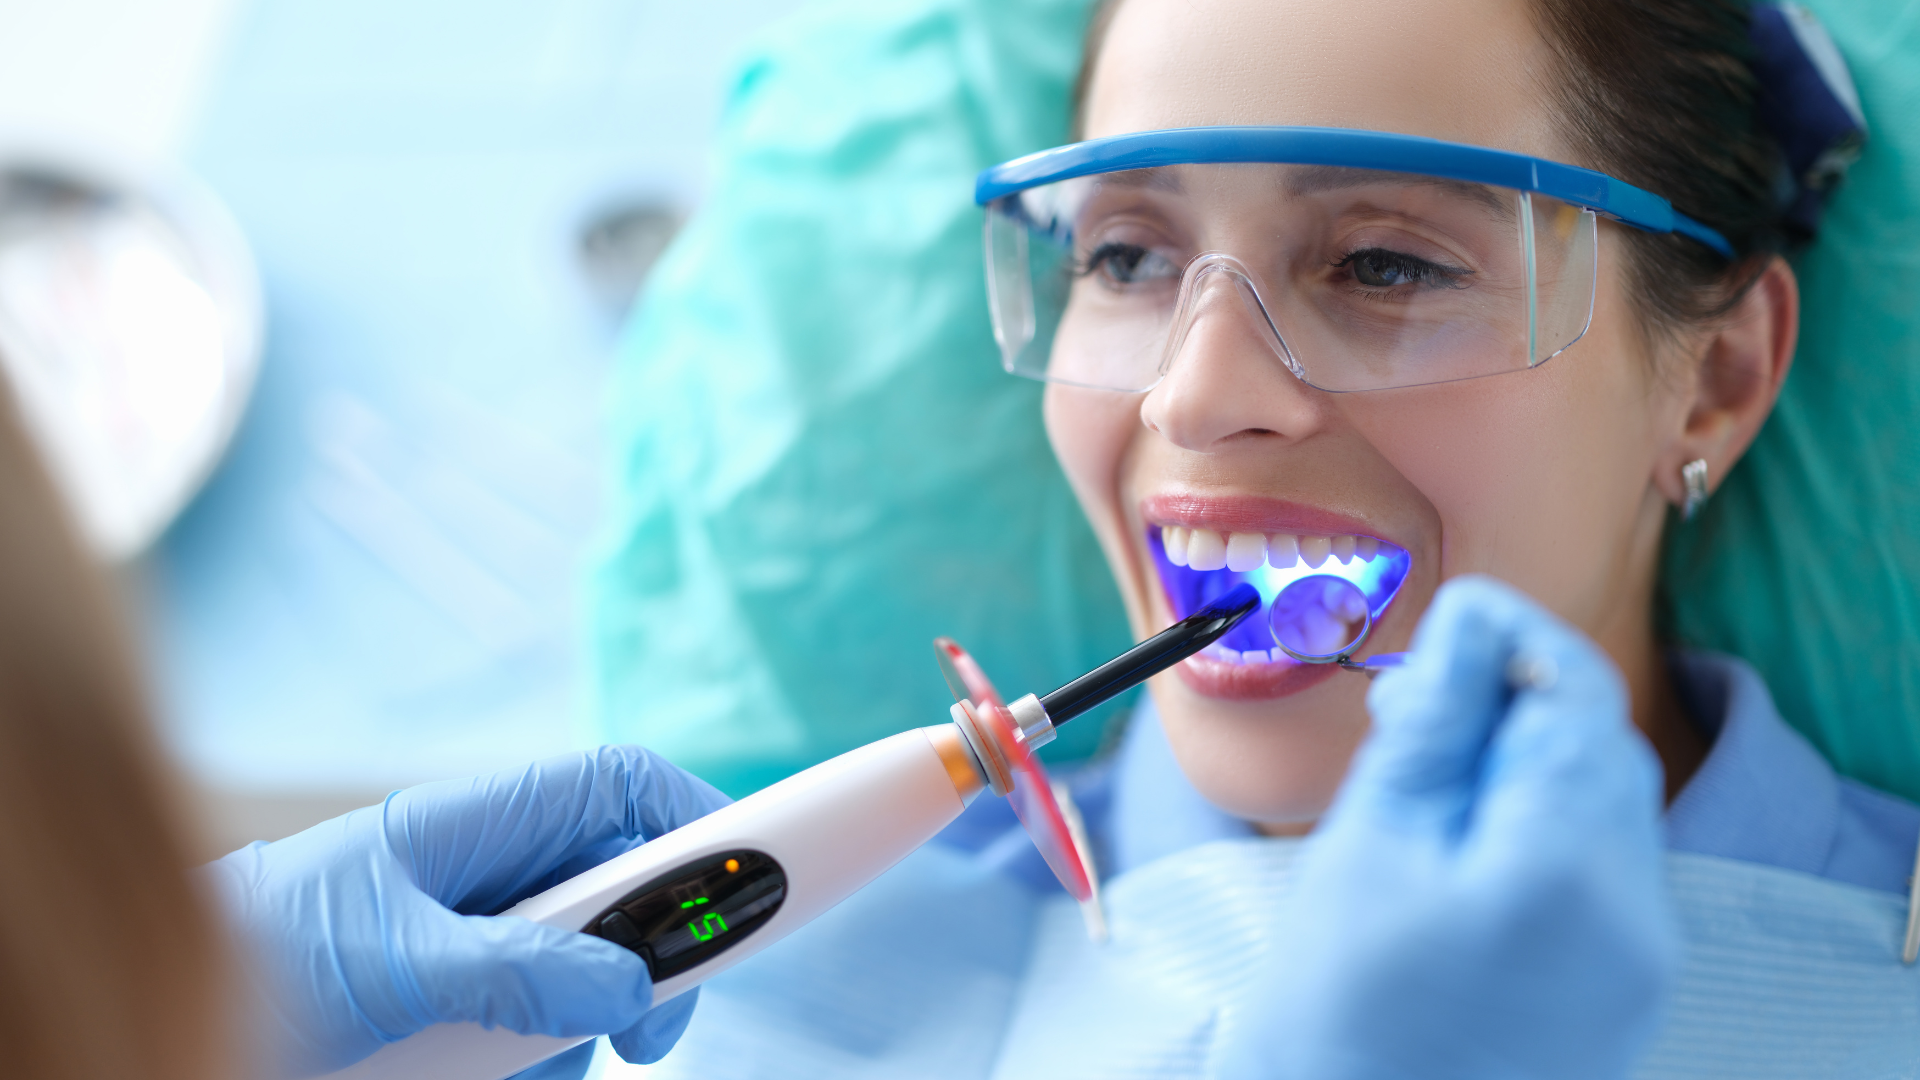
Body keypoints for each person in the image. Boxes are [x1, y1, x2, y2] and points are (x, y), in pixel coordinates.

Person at [639, 0, 1920, 1077]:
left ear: (1716, 381)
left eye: (1386, 264)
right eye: (1129, 257)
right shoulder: (761, 986)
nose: (1193, 397)